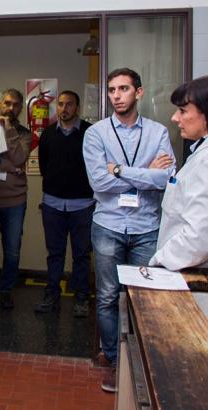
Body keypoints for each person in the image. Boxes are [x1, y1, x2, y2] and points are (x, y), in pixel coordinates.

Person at [83, 67, 175, 393]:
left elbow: (166, 179)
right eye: (111, 90)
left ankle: (139, 359)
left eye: (123, 89)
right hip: (107, 224)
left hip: (147, 227)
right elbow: (99, 182)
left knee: (141, 299)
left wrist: (120, 169)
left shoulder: (158, 132)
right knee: (107, 297)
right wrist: (144, 172)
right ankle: (114, 358)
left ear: (138, 92)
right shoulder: (95, 134)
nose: (116, 95)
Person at [35, 90, 94, 317]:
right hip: (53, 205)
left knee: (81, 255)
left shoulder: (90, 133)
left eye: (69, 104)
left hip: (82, 206)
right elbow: (44, 167)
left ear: (76, 107)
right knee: (54, 253)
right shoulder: (48, 135)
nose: (64, 108)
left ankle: (81, 299)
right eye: (60, 104)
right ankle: (52, 296)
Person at [149, 76, 208, 270]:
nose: (175, 118)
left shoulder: (205, 160)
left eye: (183, 111)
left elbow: (199, 234)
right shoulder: (199, 152)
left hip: (189, 270)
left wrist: (159, 263)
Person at [0, 88, 32, 309]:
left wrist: (9, 129)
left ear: (20, 108)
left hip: (14, 201)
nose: (10, 108)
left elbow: (20, 157)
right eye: (7, 103)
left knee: (12, 251)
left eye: (15, 105)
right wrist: (11, 167)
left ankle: (6, 291)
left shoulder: (24, 133)